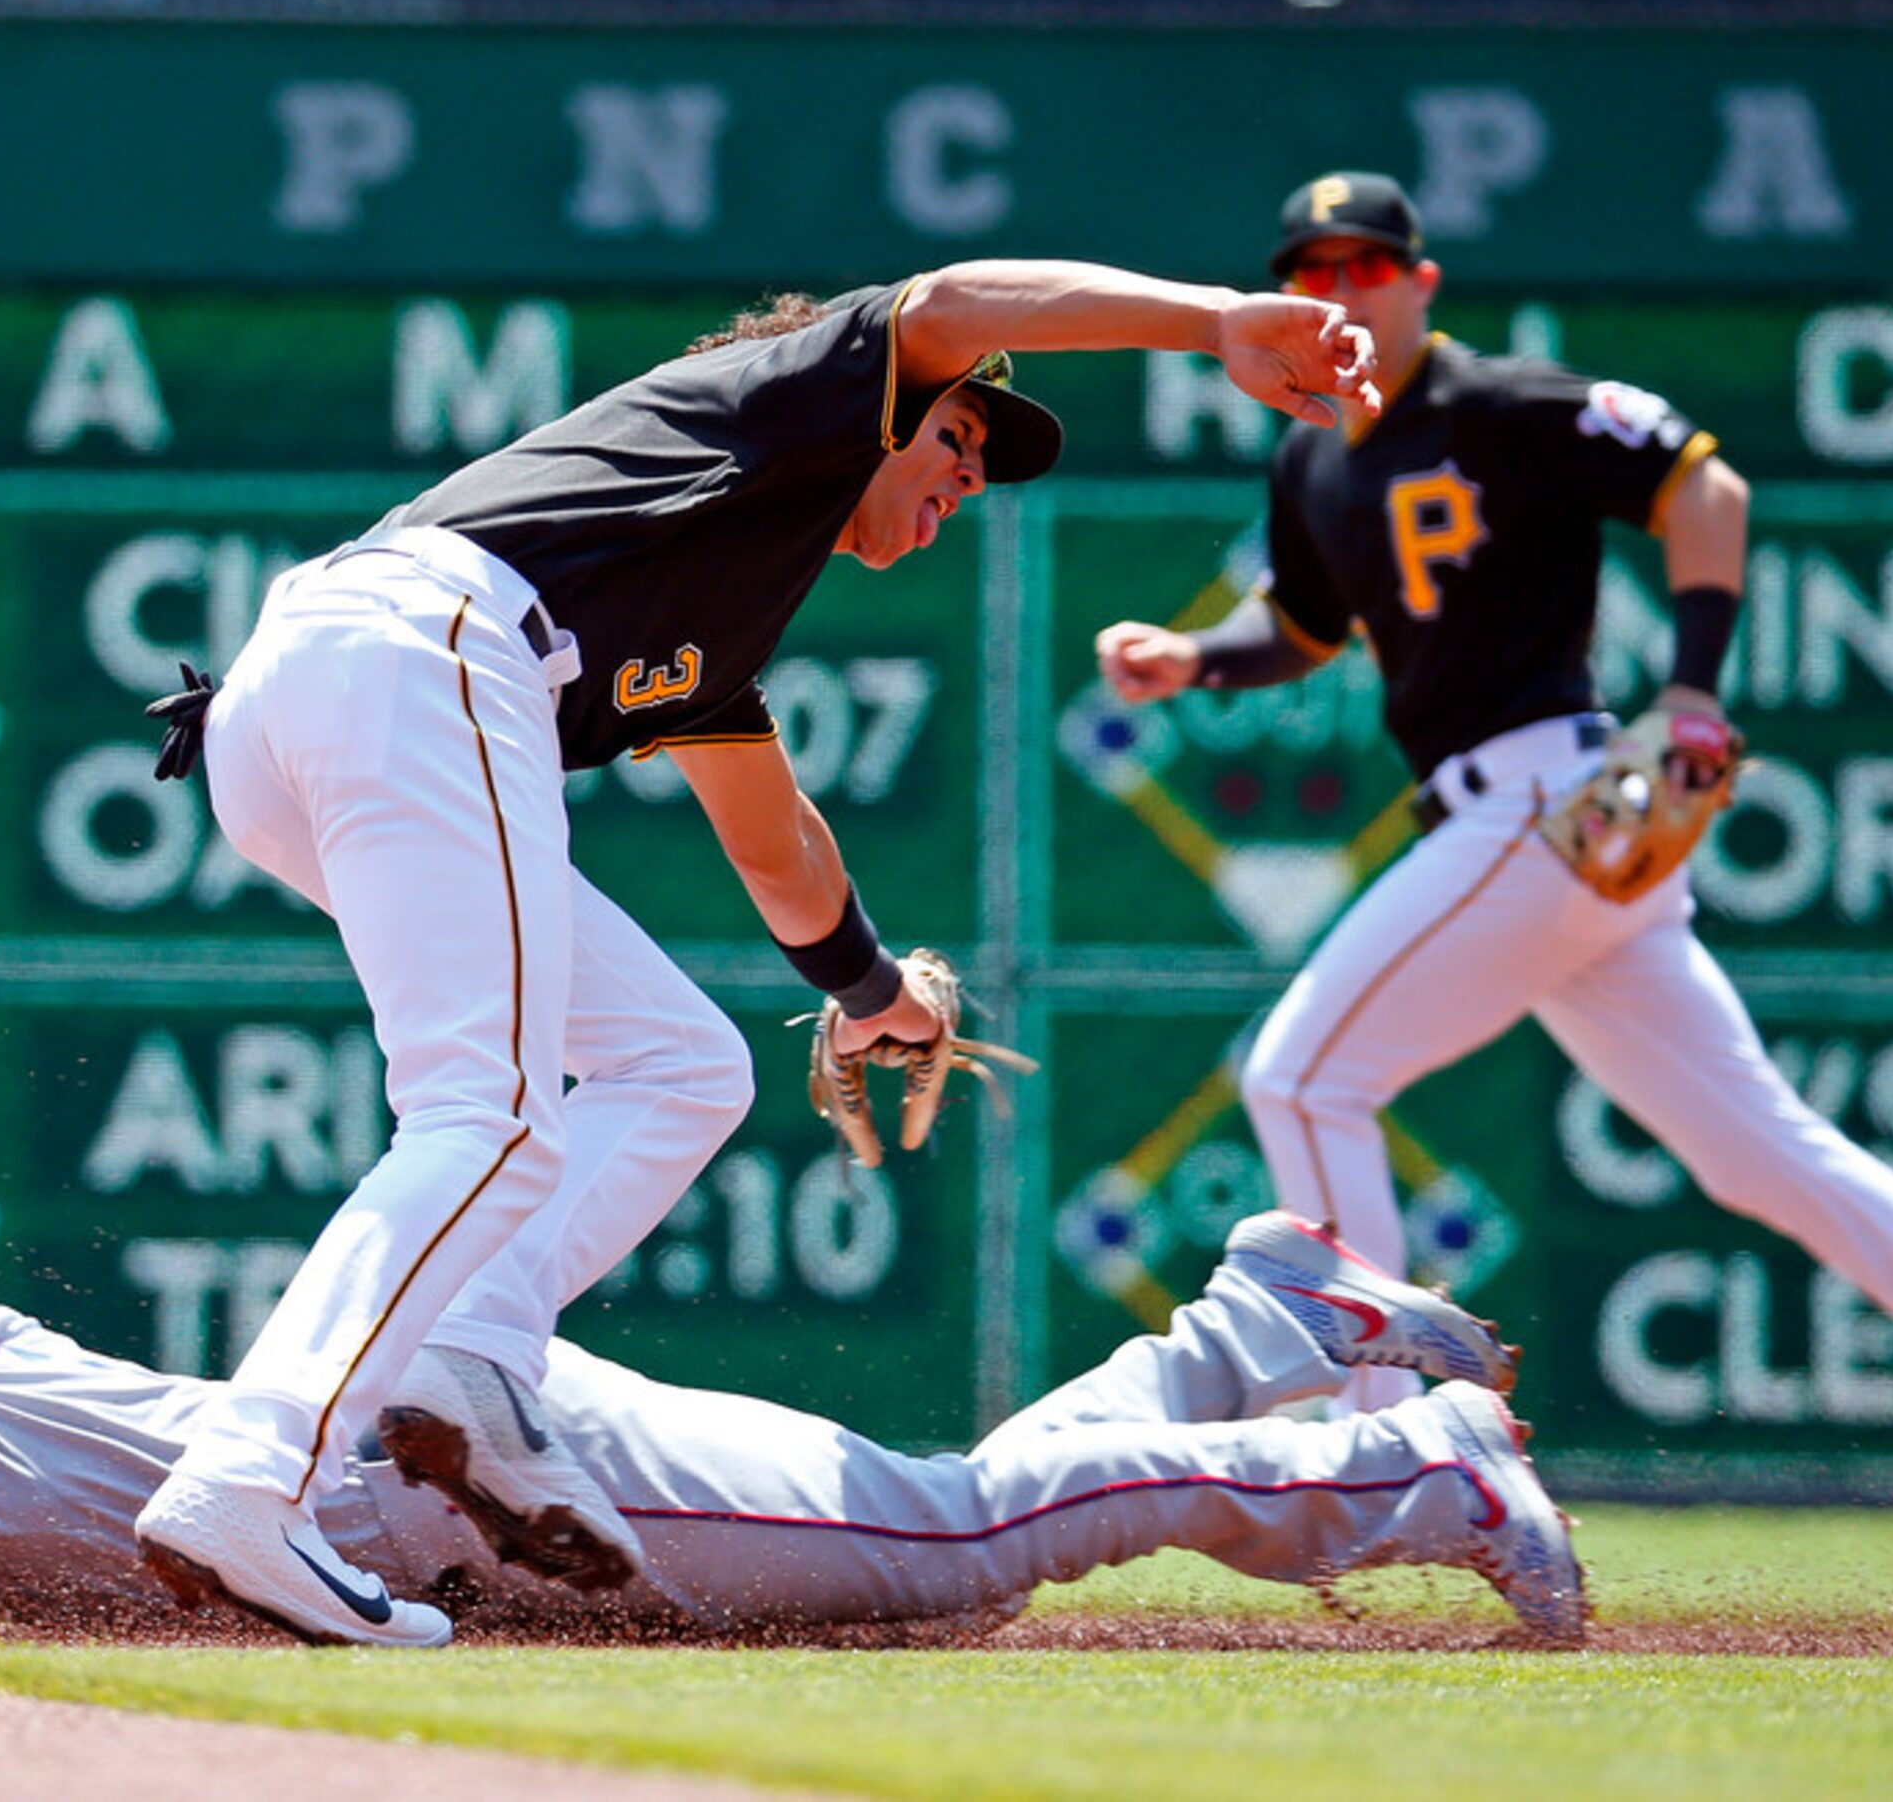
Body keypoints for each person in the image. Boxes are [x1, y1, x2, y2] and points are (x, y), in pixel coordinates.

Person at [134, 262, 1380, 1644]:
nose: (968, 475)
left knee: (679, 1062)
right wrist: (1218, 325)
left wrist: (868, 994)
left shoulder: (714, 606)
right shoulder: (789, 395)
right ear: (885, 407)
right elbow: (957, 296)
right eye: (955, 434)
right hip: (423, 645)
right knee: (483, 1113)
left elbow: (776, 842)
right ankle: (251, 1475)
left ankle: (472, 1362)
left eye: (983, 463)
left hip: (316, 700)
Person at [1093, 171, 1893, 1427]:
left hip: (1544, 798)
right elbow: (1304, 630)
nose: (1339, 288)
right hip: (1520, 831)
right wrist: (1194, 659)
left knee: (1302, 1079)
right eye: (1312, 271)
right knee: (1760, 1154)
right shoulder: (1311, 453)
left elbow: (1703, 487)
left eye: (1365, 266)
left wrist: (1691, 688)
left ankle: (1385, 1457)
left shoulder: (1500, 401)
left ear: (1419, 282)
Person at [0, 1202, 1585, 1647]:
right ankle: (1252, 1325)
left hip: (496, 1485)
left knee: (952, 1556)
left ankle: (1405, 1469)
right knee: (932, 1538)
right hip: (446, 1470)